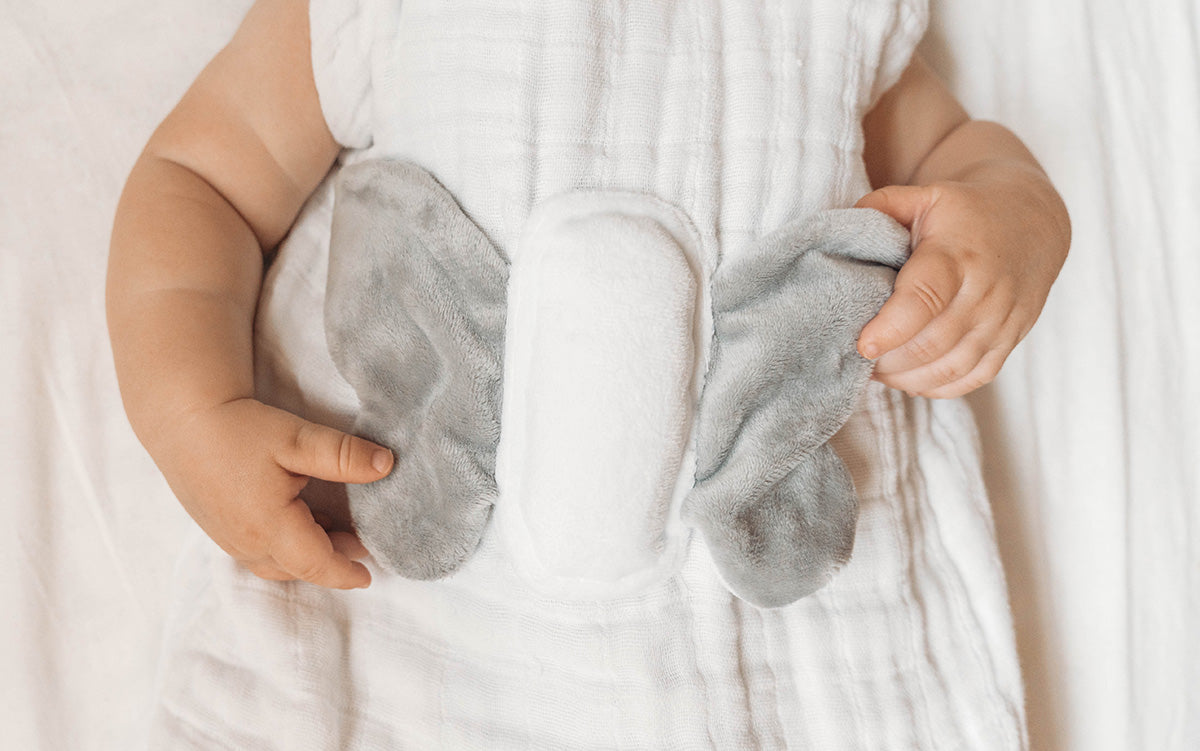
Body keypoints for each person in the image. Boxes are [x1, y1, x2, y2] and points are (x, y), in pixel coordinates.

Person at [108, 0, 1068, 746]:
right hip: (422, 634)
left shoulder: (821, 22)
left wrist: (1010, 220)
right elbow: (204, 179)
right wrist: (191, 408)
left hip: (759, 663)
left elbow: (963, 157)